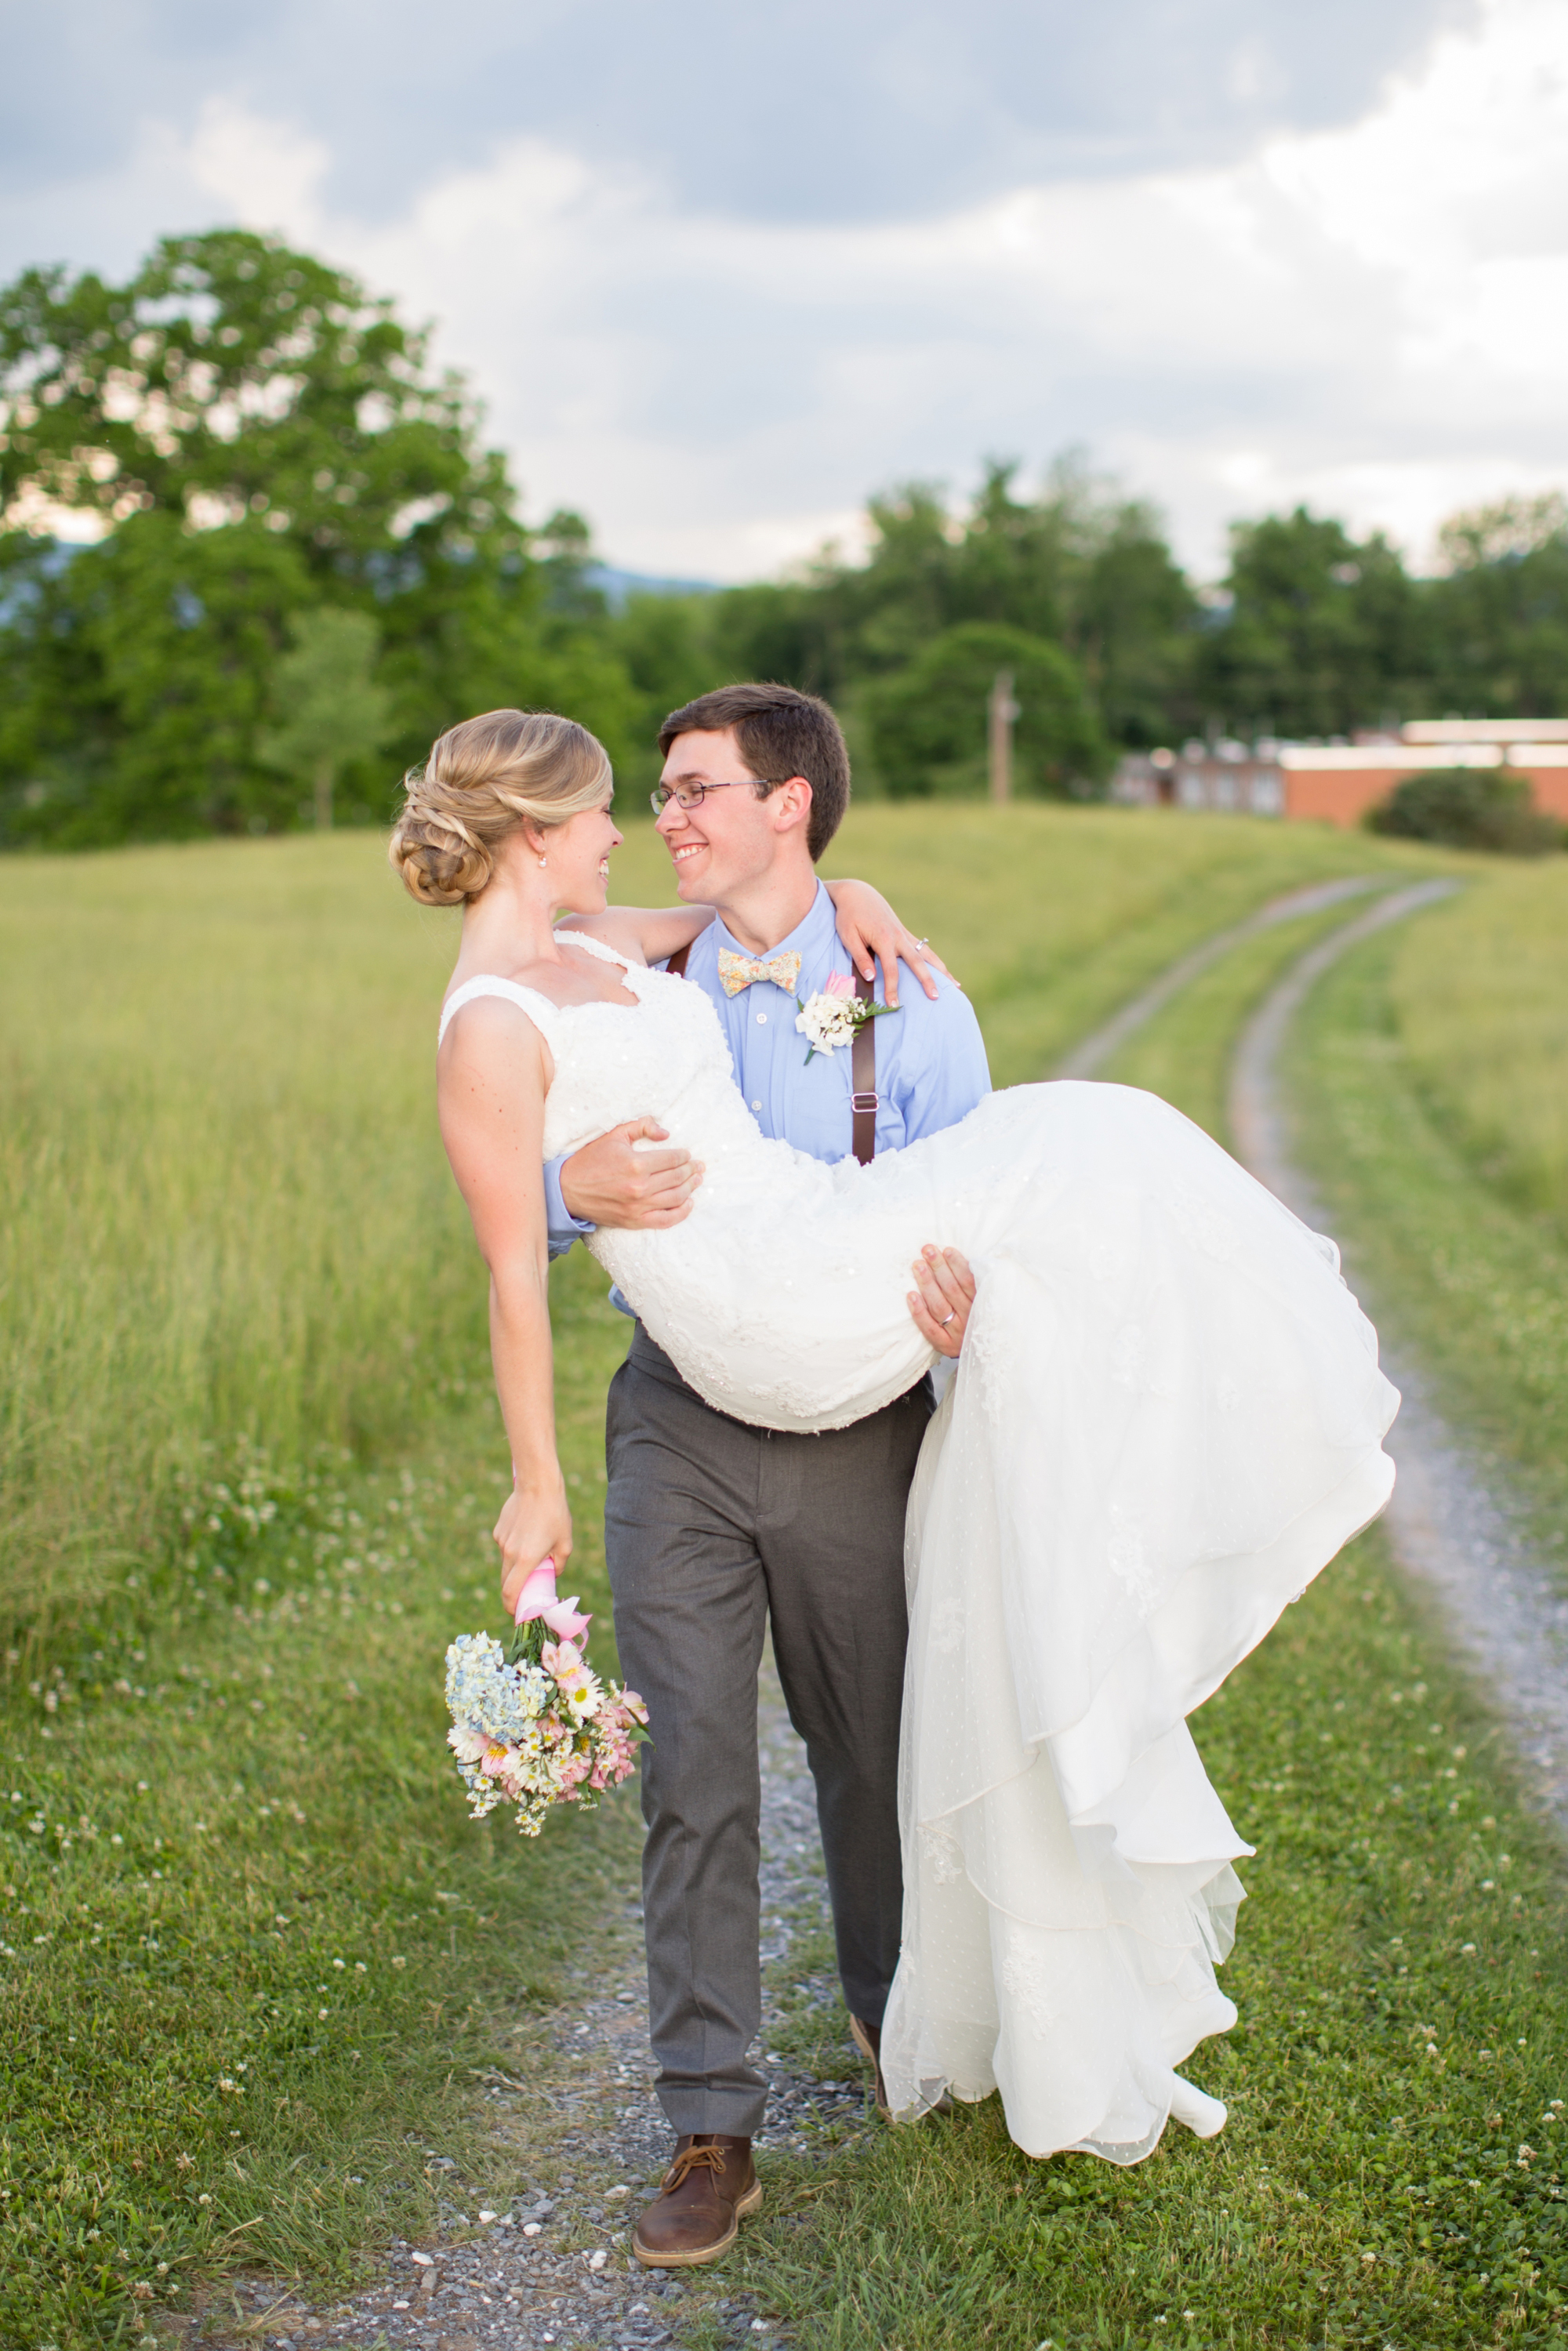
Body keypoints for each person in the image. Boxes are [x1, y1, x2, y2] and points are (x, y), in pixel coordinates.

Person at [394, 702, 1398, 2251]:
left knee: (873, 1745)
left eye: (685, 794)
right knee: (695, 1777)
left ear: (784, 809)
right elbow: (502, 1267)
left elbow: (743, 923)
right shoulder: (506, 1012)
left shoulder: (766, 968)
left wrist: (849, 903)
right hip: (692, 1398)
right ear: (538, 832)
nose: (642, 825)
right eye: (620, 804)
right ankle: (707, 2126)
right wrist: (553, 1230)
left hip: (850, 1381)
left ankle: (894, 2013)